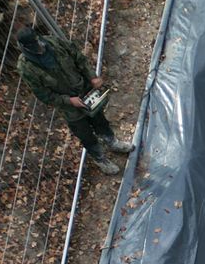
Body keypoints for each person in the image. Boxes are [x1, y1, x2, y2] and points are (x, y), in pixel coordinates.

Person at [16, 20, 132, 175]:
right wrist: (68, 101)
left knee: (100, 120)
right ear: (26, 47)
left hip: (86, 92)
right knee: (85, 135)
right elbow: (43, 94)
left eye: (38, 41)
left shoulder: (53, 43)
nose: (40, 46)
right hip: (69, 108)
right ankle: (100, 158)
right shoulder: (26, 67)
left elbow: (79, 58)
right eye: (35, 45)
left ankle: (112, 142)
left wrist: (92, 77)